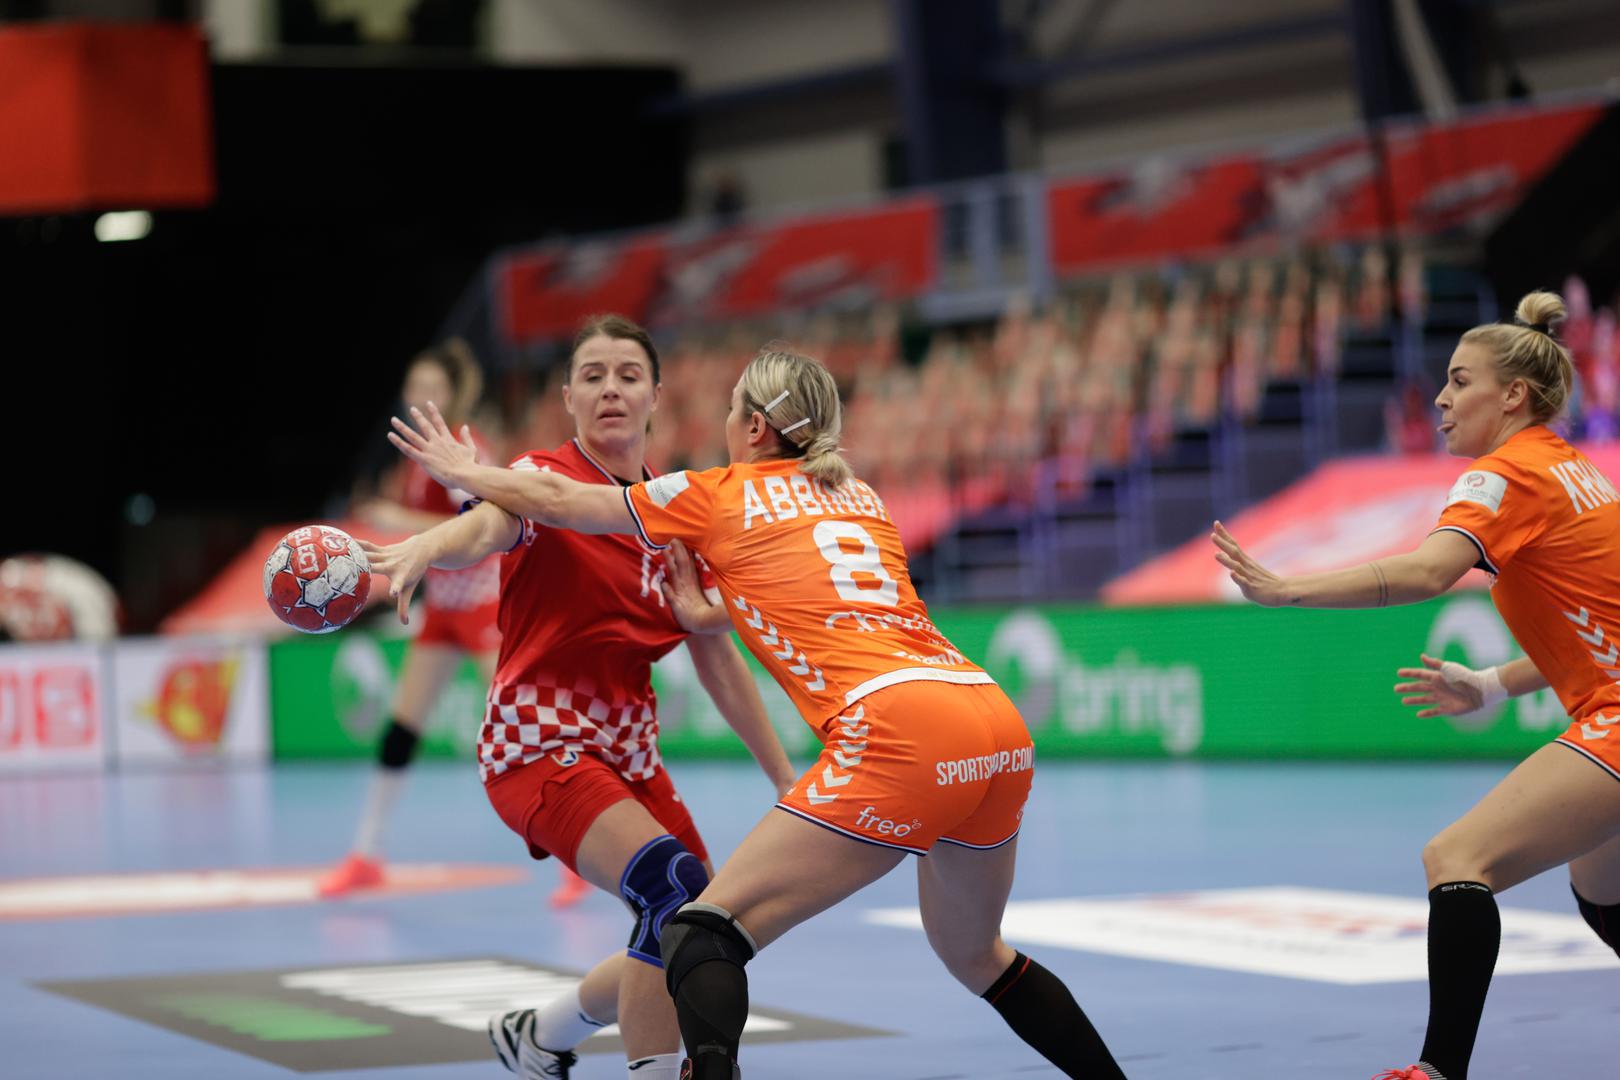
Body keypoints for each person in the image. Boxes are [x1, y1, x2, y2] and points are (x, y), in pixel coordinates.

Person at [388, 347, 1130, 1080]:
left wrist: (464, 474)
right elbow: (824, 593)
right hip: (991, 724)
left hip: (900, 732)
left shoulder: (714, 492)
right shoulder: (860, 496)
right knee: (976, 954)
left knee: (701, 934)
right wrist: (708, 615)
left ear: (752, 427)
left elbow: (556, 500)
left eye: (729, 410)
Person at [362, 315, 796, 1080]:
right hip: (536, 749)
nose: (610, 390)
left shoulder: (674, 515)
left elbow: (717, 658)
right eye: (592, 376)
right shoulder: (539, 477)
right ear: (568, 397)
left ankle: (541, 1033)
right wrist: (427, 546)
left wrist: (785, 779)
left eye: (628, 375)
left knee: (700, 928)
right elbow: (484, 529)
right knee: (673, 889)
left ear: (656, 395)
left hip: (628, 754)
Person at [1211, 290, 1620, 1080]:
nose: (1439, 398)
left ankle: (1435, 1073)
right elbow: (1597, 629)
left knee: (1458, 857)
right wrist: (1492, 684)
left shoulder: (1504, 476)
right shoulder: (1574, 470)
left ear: (1514, 395)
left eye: (1460, 381)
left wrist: (1288, 590)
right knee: (1602, 886)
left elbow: (1430, 571)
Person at [318, 340, 567, 898]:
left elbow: (477, 520)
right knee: (401, 729)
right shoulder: (416, 454)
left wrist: (396, 517)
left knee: (524, 726)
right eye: (415, 386)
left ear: (451, 396)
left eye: (433, 388)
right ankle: (366, 854)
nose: (420, 396)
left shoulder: (459, 449)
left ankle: (573, 863)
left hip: (483, 606)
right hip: (443, 611)